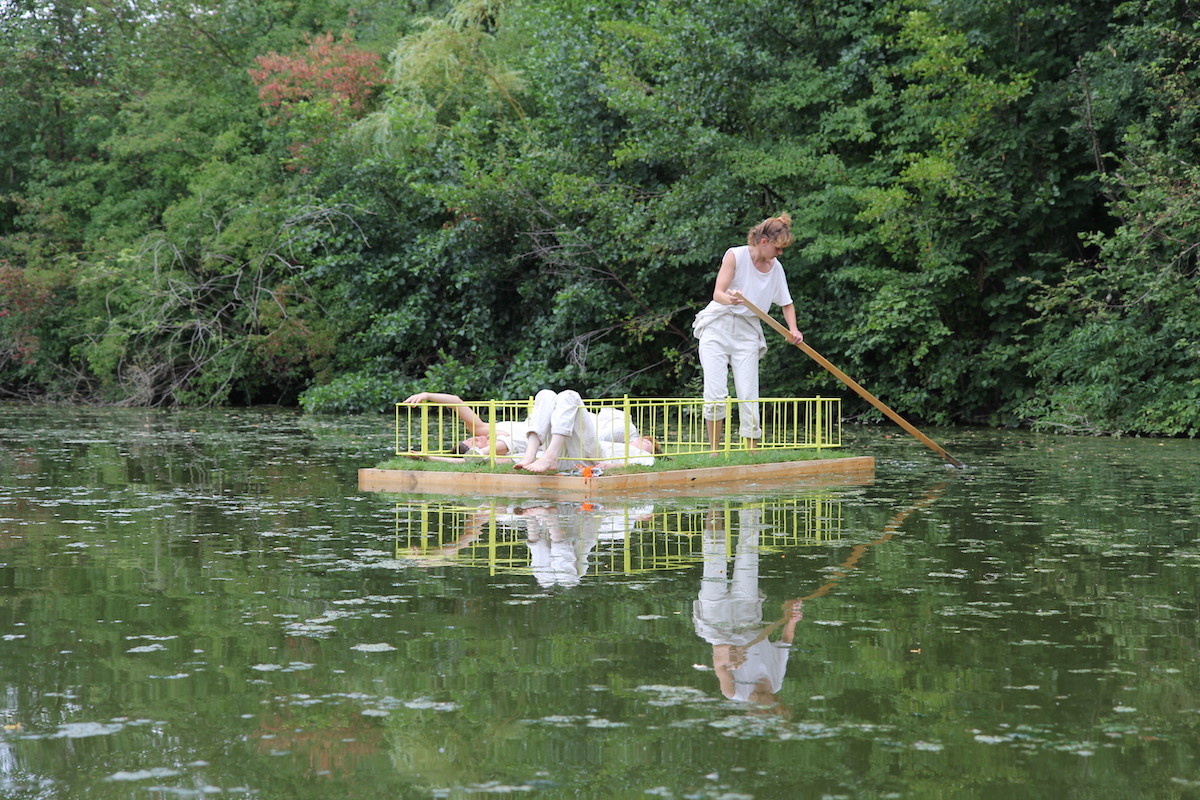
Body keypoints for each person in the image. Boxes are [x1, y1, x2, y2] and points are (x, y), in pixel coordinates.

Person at [692, 213, 803, 452]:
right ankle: (714, 452)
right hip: (718, 326)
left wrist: (793, 330)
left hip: (748, 331)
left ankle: (751, 452)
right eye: (777, 248)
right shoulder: (735, 255)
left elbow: (786, 303)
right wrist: (730, 299)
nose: (780, 253)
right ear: (764, 242)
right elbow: (718, 293)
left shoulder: (776, 268)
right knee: (715, 391)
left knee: (749, 393)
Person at [402, 390, 658, 472]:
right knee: (568, 396)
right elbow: (477, 459)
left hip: (558, 436)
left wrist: (427, 395)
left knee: (547, 394)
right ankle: (547, 456)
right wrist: (428, 457)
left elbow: (457, 401)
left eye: (470, 437)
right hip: (571, 446)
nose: (475, 437)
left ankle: (546, 455)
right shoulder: (507, 444)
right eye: (472, 441)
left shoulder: (491, 429)